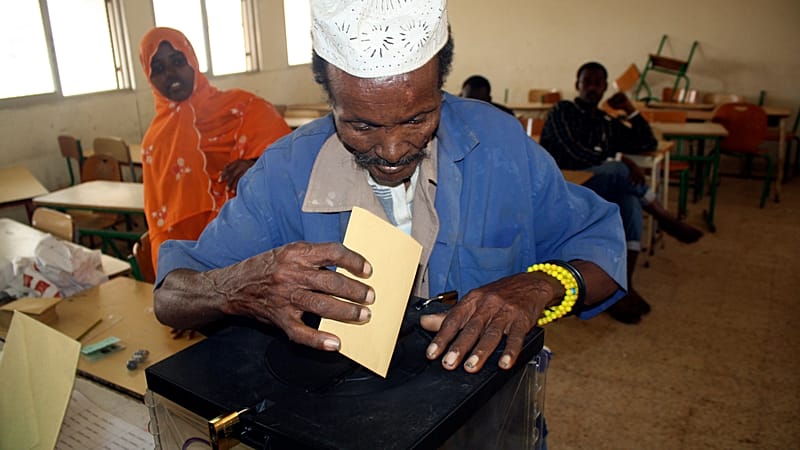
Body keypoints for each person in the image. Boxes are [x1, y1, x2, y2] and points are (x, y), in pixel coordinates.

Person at [154, 0, 627, 379]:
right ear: (330, 99)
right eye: (360, 124)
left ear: (441, 86)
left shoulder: (499, 145)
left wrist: (541, 283)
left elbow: (602, 251)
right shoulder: (286, 171)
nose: (394, 149)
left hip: (487, 418)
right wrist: (237, 286)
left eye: (419, 118)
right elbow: (171, 295)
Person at [539, 61, 703, 324]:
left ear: (605, 87)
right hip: (565, 186)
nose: (592, 87)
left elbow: (646, 142)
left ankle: (622, 285)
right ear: (576, 85)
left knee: (629, 201)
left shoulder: (605, 120)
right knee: (617, 168)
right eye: (587, 81)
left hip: (596, 186)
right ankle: (665, 217)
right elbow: (572, 154)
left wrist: (630, 110)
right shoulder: (563, 110)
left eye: (598, 83)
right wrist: (618, 159)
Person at [138, 27, 291, 269]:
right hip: (191, 261)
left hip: (251, 249)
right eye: (158, 69)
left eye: (178, 61)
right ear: (150, 78)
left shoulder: (241, 108)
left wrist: (256, 166)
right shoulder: (155, 142)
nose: (170, 73)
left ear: (192, 61)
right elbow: (162, 223)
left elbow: (289, 155)